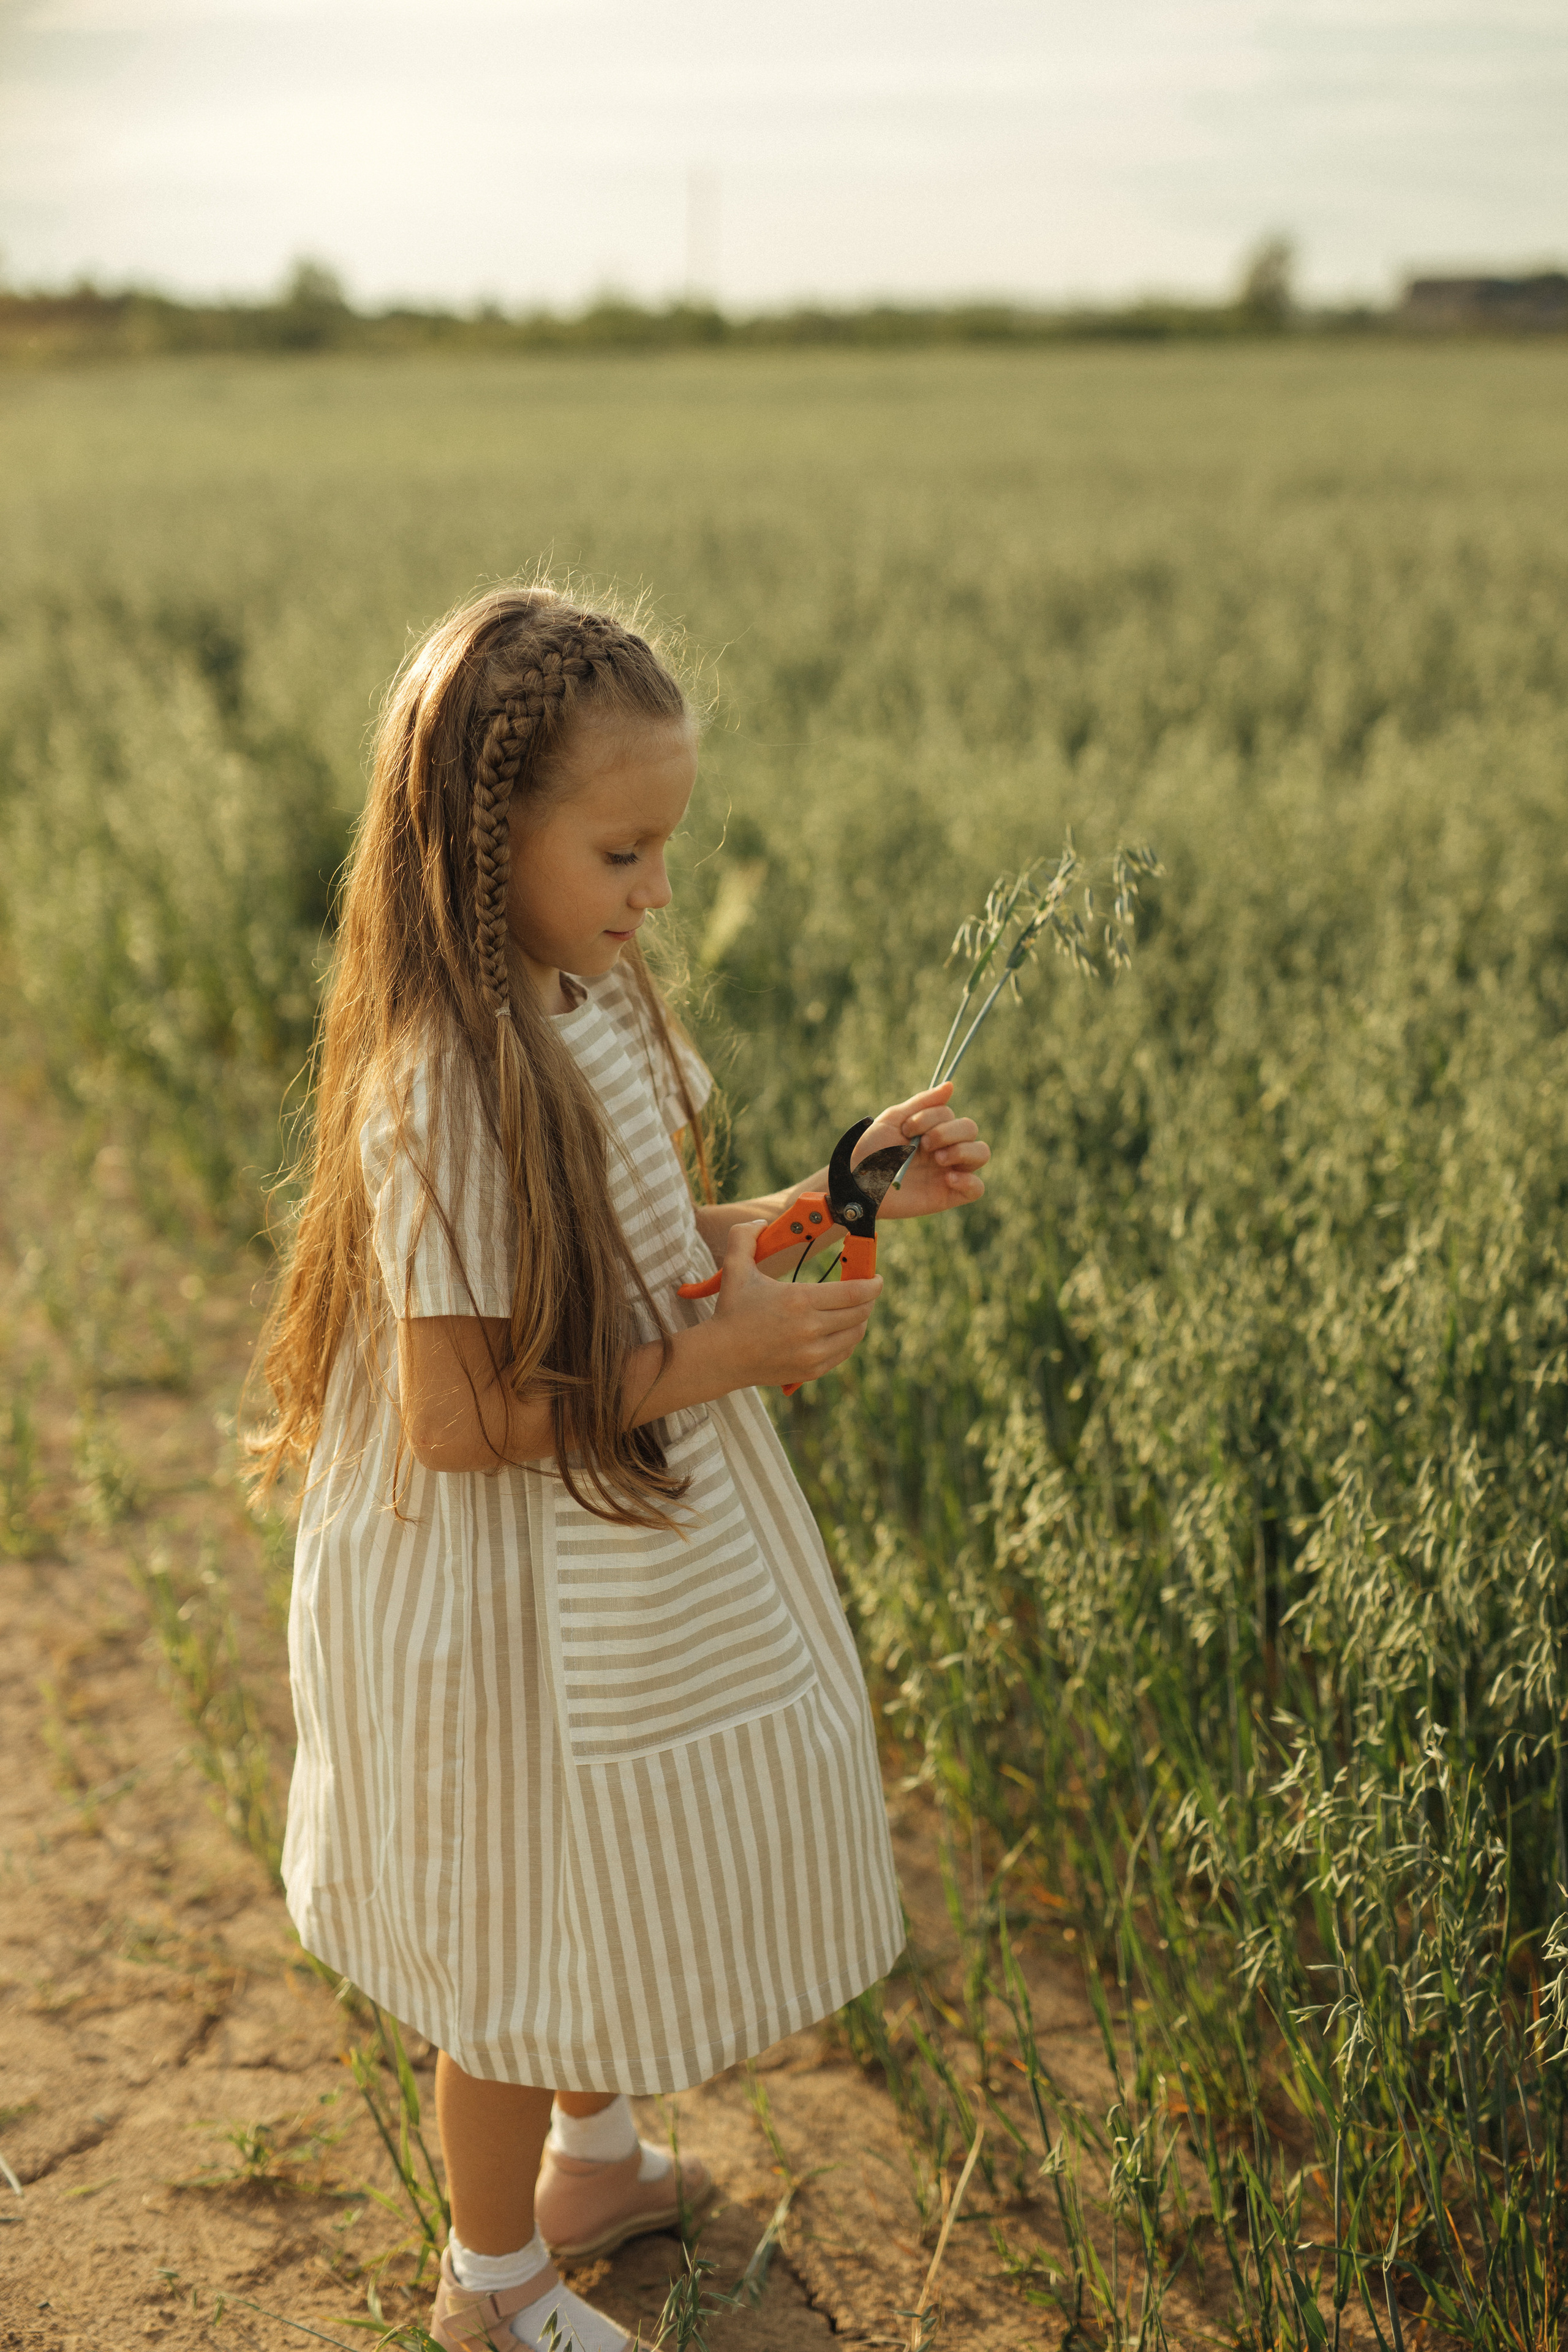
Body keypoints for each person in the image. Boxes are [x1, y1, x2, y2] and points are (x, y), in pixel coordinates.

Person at [251, 585, 992, 2351]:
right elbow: (457, 1418)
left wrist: (833, 1197)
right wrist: (718, 1360)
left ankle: (592, 2166)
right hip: (493, 1577)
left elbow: (647, 1241)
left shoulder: (591, 996)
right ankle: (491, 2288)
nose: (660, 889)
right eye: (626, 849)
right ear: (483, 841)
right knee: (515, 1919)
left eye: (669, 847)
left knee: (601, 1858)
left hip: (608, 1536)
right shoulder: (443, 1083)